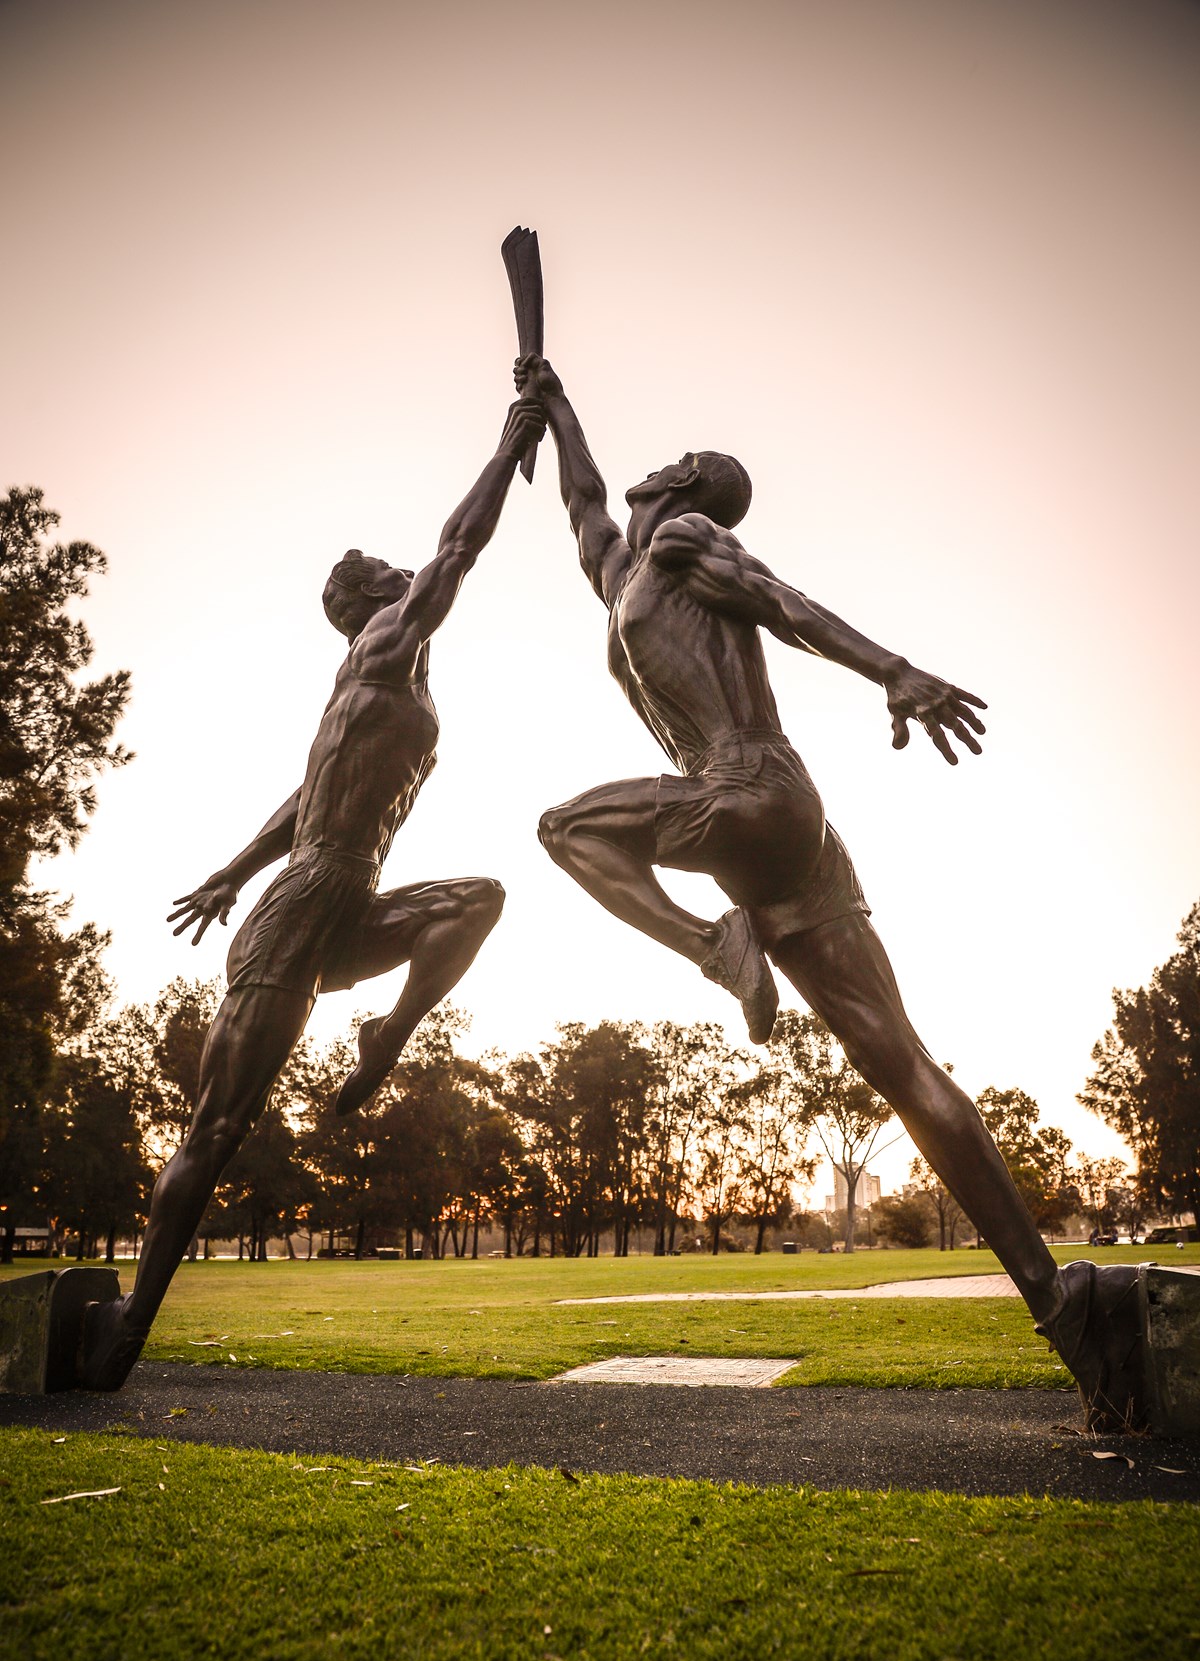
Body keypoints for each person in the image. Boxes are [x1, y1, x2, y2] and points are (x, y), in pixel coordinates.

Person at [518, 351, 1143, 1429]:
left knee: (565, 829)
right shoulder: (626, 576)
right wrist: (553, 400)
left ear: (688, 483)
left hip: (749, 792)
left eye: (680, 457)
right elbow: (582, 502)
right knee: (900, 1063)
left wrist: (892, 670)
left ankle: (715, 948)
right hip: (783, 837)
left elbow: (779, 600)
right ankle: (1070, 1315)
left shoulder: (684, 537)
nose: (654, 465)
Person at [78, 396, 545, 1389]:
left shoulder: (385, 685)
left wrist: (228, 869)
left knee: (476, 899)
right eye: (393, 571)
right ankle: (128, 1326)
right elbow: (459, 546)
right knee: (218, 1127)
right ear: (370, 597)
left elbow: (306, 795)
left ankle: (387, 1033)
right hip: (302, 912)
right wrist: (511, 443)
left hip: (347, 900)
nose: (410, 573)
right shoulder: (386, 643)